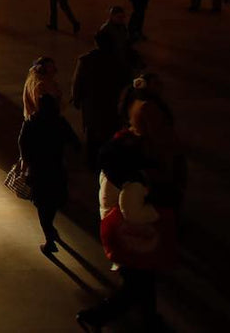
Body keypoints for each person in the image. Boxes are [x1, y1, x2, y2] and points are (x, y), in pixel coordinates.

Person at [75, 100, 180, 332]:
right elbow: (132, 206)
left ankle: (150, 319)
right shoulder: (134, 161)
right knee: (137, 283)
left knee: (144, 277)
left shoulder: (124, 146)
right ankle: (96, 316)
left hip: (123, 222)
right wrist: (155, 212)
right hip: (131, 228)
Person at [18, 92, 79, 254]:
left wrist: (26, 163)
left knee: (41, 203)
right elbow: (75, 142)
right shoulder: (60, 122)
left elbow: (23, 144)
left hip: (38, 170)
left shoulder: (31, 122)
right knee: (52, 202)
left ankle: (49, 236)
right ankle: (50, 228)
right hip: (56, 167)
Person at [71, 31, 129, 170]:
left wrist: (77, 99)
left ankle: (92, 163)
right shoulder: (117, 60)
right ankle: (108, 162)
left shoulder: (86, 60)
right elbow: (125, 81)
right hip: (110, 103)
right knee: (109, 133)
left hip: (91, 104)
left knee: (92, 134)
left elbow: (77, 82)